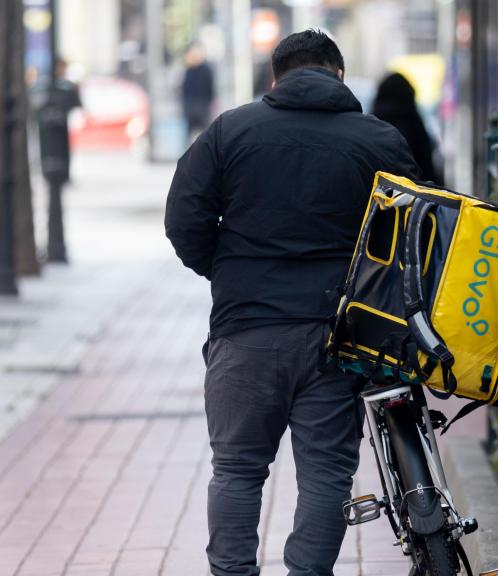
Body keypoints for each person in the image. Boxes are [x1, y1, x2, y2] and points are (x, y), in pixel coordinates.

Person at [164, 30, 418, 575]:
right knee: (326, 475)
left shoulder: (230, 132)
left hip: (246, 328)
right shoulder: (378, 139)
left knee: (236, 470)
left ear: (275, 77)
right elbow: (411, 241)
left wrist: (230, 272)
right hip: (337, 336)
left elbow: (183, 220)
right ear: (339, 75)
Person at [372, 72, 440, 185]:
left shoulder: (373, 123)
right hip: (411, 195)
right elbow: (427, 167)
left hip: (377, 195)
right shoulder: (414, 125)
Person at [182, 44, 216, 137]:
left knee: (206, 134)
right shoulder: (189, 70)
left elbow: (210, 89)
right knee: (189, 134)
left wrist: (209, 104)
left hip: (203, 106)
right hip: (190, 106)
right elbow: (185, 90)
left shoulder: (206, 70)